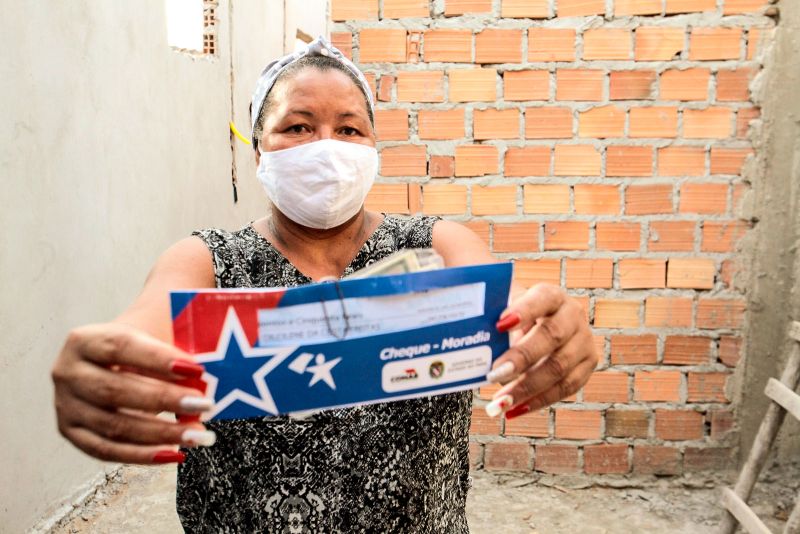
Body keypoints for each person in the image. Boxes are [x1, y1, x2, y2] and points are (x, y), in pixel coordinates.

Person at [51, 37, 598, 532]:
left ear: (373, 148)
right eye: (298, 126)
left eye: (349, 129)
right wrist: (104, 366)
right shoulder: (208, 259)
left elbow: (514, 302)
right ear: (258, 146)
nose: (327, 147)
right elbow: (145, 323)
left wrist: (555, 326)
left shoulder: (433, 246)